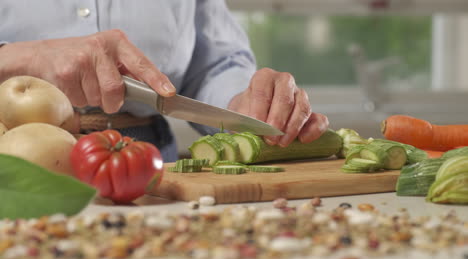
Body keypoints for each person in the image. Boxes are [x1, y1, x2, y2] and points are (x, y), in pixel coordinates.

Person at [0, 0, 329, 162]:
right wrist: (28, 57)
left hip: (150, 162)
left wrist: (242, 102)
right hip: (16, 155)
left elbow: (212, 65)